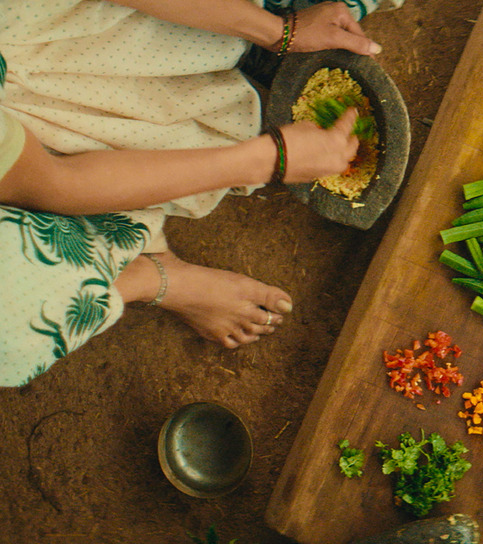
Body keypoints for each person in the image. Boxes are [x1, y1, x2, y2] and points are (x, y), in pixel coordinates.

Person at [0, 0, 396, 387]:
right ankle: (147, 276)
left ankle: (244, 34)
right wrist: (266, 159)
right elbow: (54, 183)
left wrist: (278, 32)